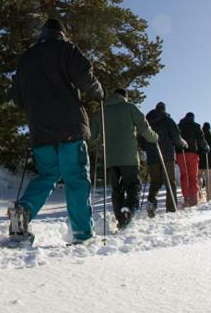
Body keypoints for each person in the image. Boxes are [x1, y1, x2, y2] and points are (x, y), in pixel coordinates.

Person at [10, 18, 104, 244]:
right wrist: (99, 92)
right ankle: (82, 234)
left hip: (40, 131)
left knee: (48, 175)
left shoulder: (26, 58)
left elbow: (17, 99)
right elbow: (85, 77)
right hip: (70, 126)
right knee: (76, 179)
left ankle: (22, 212)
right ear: (62, 33)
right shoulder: (66, 49)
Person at [90, 88, 158, 229]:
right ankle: (128, 210)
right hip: (129, 157)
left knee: (117, 190)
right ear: (124, 97)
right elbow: (144, 129)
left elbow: (93, 136)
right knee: (133, 186)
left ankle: (121, 220)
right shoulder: (130, 108)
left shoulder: (101, 112)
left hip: (111, 159)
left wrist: (101, 141)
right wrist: (154, 138)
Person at [142, 102, 187, 215]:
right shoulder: (167, 120)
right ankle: (171, 209)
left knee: (155, 182)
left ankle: (151, 205)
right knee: (169, 182)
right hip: (167, 156)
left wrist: (147, 148)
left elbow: (141, 139)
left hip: (152, 156)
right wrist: (182, 144)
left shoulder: (147, 122)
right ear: (164, 109)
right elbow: (176, 137)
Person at [176, 112, 208, 208]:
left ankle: (186, 197)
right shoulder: (196, 126)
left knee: (184, 175)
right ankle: (194, 198)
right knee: (192, 176)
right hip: (192, 153)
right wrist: (203, 148)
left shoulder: (179, 126)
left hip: (180, 153)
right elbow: (200, 139)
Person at [199, 122, 211, 200]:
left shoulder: (200, 135)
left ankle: (199, 195)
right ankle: (210, 196)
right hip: (208, 161)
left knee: (198, 178)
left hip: (199, 161)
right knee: (209, 179)